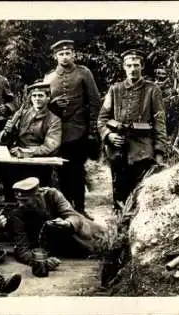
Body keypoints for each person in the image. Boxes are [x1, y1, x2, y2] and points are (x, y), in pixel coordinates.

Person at [97, 48, 168, 211]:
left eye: (136, 65)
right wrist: (109, 135)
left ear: (142, 66)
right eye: (129, 65)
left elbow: (160, 123)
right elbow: (102, 119)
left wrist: (159, 152)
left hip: (143, 153)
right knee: (120, 199)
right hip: (118, 152)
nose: (133, 69)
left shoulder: (152, 90)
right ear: (124, 67)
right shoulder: (115, 90)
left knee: (141, 199)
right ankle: (119, 233)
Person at [43, 40, 101, 220]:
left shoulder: (84, 73)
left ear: (73, 54)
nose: (65, 57)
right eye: (61, 54)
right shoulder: (49, 78)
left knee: (78, 170)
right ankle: (67, 210)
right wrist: (53, 104)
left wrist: (92, 131)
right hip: (58, 133)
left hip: (79, 131)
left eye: (68, 53)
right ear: (55, 56)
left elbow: (94, 102)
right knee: (62, 171)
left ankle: (81, 209)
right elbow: (43, 106)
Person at [10, 177, 109, 270]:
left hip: (79, 235)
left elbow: (74, 217)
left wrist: (67, 223)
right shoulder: (18, 213)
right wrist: (41, 261)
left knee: (104, 245)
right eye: (18, 200)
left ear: (37, 194)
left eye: (25, 200)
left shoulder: (52, 195)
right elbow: (22, 250)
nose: (21, 204)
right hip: (56, 245)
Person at [0, 80, 61, 196]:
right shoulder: (22, 115)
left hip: (40, 163)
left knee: (37, 194)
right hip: (18, 161)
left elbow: (51, 147)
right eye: (34, 96)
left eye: (41, 95)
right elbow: (4, 142)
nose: (37, 99)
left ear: (48, 98)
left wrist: (27, 152)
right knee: (8, 176)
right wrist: (6, 132)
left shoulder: (54, 120)